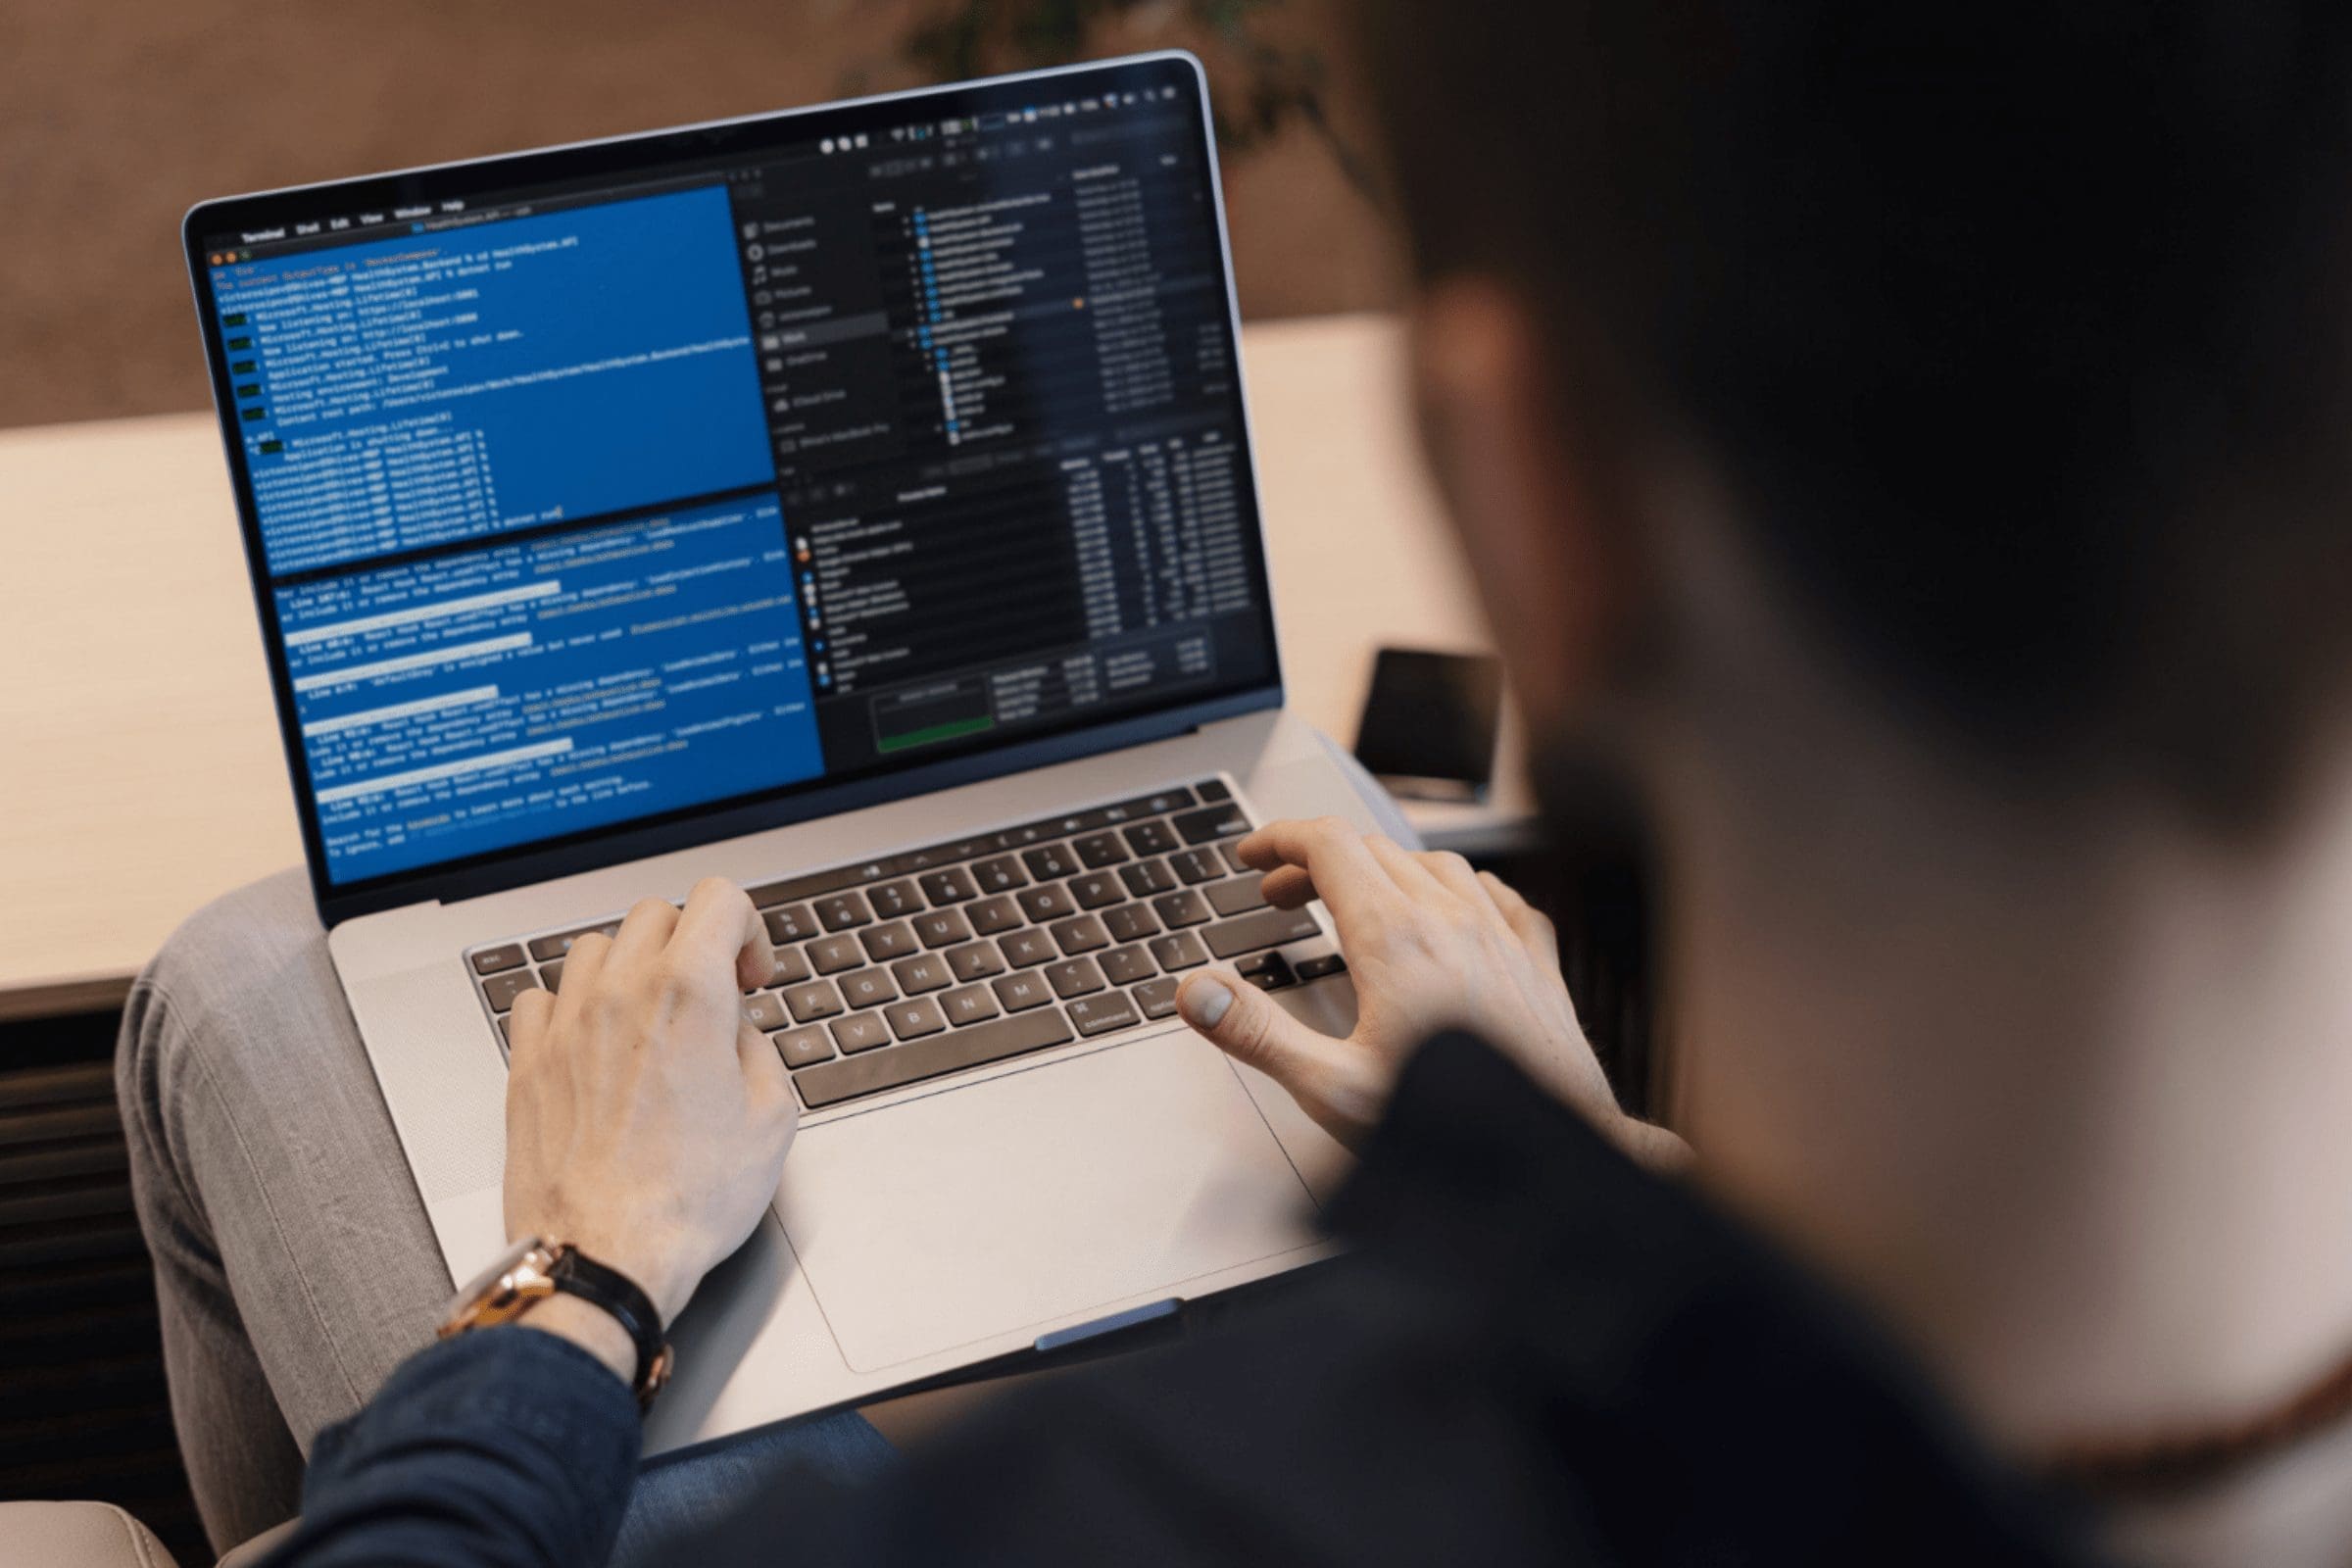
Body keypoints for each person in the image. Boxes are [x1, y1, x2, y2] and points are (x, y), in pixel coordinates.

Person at [117, 2, 2352, 1563]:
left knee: (241, 978)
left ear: (1522, 500)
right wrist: (1599, 1166)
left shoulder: (1124, 1513)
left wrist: (586, 1270)